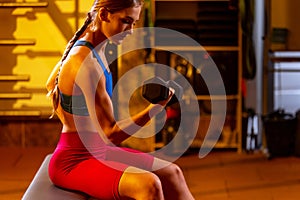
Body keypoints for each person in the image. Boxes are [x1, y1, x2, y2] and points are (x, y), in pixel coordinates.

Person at [46, 0, 195, 199]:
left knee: (172, 172)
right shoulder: (85, 62)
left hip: (99, 150)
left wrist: (71, 113)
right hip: (74, 160)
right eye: (126, 21)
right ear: (104, 15)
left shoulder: (93, 48)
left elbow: (50, 84)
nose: (131, 30)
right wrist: (155, 109)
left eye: (134, 22)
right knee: (149, 186)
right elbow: (110, 133)